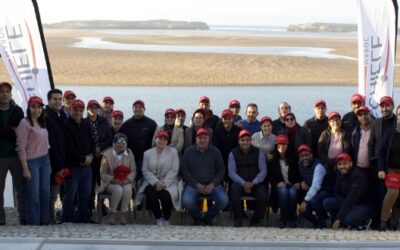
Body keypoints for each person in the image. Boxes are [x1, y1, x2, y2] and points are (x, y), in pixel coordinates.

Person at [181, 128, 228, 226]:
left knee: (224, 200)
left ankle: (208, 217)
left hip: (212, 184)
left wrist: (213, 184)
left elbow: (221, 170)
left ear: (209, 139)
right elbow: (184, 171)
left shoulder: (215, 151)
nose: (202, 140)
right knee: (186, 202)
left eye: (205, 138)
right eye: (200, 138)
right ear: (196, 139)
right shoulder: (188, 152)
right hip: (194, 185)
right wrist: (196, 185)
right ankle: (198, 217)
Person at [15, 96, 50, 225]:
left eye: (39, 107)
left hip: (45, 160)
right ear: (29, 108)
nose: (36, 110)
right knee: (33, 194)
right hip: (32, 162)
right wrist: (25, 168)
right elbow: (20, 147)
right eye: (33, 107)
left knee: (45, 192)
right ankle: (33, 223)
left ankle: (44, 221)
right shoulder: (24, 123)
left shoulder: (42, 122)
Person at [136, 131, 181, 226]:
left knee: (165, 196)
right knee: (151, 194)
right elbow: (145, 170)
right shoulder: (147, 153)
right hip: (151, 181)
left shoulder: (173, 152)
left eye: (165, 139)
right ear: (155, 139)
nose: (162, 141)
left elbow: (174, 170)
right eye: (160, 139)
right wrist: (156, 183)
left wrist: (163, 183)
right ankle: (158, 217)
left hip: (168, 182)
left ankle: (166, 218)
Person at [63, 99, 95, 223]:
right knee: (70, 194)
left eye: (81, 110)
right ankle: (68, 218)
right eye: (76, 110)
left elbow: (92, 142)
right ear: (71, 109)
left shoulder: (86, 124)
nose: (78, 112)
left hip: (87, 166)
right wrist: (82, 159)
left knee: (85, 194)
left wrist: (91, 156)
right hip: (73, 166)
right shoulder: (66, 125)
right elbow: (68, 148)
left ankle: (83, 217)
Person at [228, 129, 268, 227]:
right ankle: (238, 219)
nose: (245, 142)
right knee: (234, 193)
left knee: (263, 197)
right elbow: (231, 172)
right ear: (239, 141)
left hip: (256, 183)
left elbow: (263, 171)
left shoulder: (259, 152)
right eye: (242, 140)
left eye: (247, 140)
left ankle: (255, 221)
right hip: (239, 183)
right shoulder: (233, 153)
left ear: (251, 140)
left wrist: (253, 182)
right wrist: (243, 183)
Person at [323, 153, 373, 230]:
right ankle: (341, 221)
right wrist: (343, 204)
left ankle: (364, 221)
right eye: (339, 164)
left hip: (363, 204)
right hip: (349, 203)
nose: (342, 166)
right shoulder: (339, 173)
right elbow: (337, 193)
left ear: (351, 163)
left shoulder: (358, 176)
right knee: (327, 203)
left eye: (345, 163)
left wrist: (338, 219)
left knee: (347, 219)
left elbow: (351, 198)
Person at [368, 96, 396, 229]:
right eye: (382, 106)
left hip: (393, 166)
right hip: (378, 166)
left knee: (394, 194)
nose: (384, 108)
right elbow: (371, 144)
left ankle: (392, 222)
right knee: (380, 195)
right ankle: (379, 222)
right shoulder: (376, 123)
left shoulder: (397, 121)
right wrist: (372, 163)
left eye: (387, 106)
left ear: (392, 106)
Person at [0, 81, 26, 225]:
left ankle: (23, 216)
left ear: (10, 94)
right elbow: (11, 132)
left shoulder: (18, 111)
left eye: (6, 91)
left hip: (16, 156)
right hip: (1, 157)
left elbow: (19, 132)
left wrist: (7, 132)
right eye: (1, 92)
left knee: (20, 188)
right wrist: (9, 130)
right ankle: (0, 218)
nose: (4, 94)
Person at [98, 133, 136, 225]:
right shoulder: (107, 155)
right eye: (118, 142)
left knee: (127, 189)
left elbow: (133, 170)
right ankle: (112, 213)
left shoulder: (129, 153)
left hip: (125, 180)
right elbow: (102, 173)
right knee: (118, 189)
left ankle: (123, 213)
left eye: (123, 142)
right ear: (114, 143)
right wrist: (112, 179)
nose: (121, 144)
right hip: (110, 182)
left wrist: (128, 179)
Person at [84, 100, 112, 213]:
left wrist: (100, 148)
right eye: (91, 107)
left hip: (102, 157)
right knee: (90, 183)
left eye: (95, 107)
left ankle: (101, 206)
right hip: (90, 157)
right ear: (87, 109)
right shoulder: (84, 122)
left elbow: (109, 137)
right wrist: (93, 149)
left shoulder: (103, 121)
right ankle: (89, 207)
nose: (93, 109)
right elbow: (84, 140)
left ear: (98, 109)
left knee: (102, 182)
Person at [120, 99, 157, 181]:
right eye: (136, 107)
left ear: (144, 109)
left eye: (140, 107)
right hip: (130, 159)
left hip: (146, 159)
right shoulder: (126, 124)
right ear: (133, 109)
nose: (138, 109)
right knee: (132, 181)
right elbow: (120, 141)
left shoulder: (151, 123)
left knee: (144, 181)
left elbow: (157, 140)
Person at [269, 135, 301, 228]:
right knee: (283, 191)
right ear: (276, 145)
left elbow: (300, 172)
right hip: (279, 184)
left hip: (292, 183)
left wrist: (298, 182)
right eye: (279, 144)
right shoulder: (272, 158)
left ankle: (291, 216)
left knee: (292, 193)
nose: (281, 146)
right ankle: (283, 216)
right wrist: (276, 183)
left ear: (287, 145)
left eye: (284, 144)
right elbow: (270, 175)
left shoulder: (294, 157)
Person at [45, 89, 67, 224]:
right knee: (51, 193)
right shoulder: (47, 117)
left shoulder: (60, 115)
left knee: (55, 192)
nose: (58, 101)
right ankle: (49, 218)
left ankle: (51, 217)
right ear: (49, 100)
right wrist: (58, 166)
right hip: (52, 163)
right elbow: (51, 144)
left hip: (60, 161)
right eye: (55, 99)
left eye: (60, 99)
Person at [377, 105, 400, 231]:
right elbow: (381, 152)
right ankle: (383, 221)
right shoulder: (390, 132)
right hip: (391, 169)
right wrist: (381, 169)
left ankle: (394, 222)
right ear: (397, 117)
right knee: (393, 191)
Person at [318, 112, 352, 194]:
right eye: (332, 120)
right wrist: (329, 162)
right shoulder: (325, 134)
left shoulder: (346, 134)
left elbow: (347, 150)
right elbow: (320, 150)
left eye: (337, 120)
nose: (335, 122)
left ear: (341, 121)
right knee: (326, 186)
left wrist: (337, 163)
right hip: (327, 165)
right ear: (329, 123)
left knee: (338, 187)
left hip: (340, 165)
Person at [297, 144, 330, 229]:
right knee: (302, 210)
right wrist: (301, 182)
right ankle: (316, 224)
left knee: (314, 201)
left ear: (311, 155)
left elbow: (316, 186)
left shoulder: (318, 166)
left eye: (306, 155)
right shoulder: (300, 165)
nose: (304, 158)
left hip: (326, 191)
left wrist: (305, 201)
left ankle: (322, 222)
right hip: (313, 192)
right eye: (302, 156)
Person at [212, 109, 241, 181]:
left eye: (229, 118)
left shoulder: (238, 131)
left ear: (233, 119)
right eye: (225, 119)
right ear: (222, 119)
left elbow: (240, 146)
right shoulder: (217, 131)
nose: (227, 121)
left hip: (235, 161)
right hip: (221, 160)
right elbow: (215, 147)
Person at [351, 106, 373, 171]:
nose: (363, 116)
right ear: (357, 117)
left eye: (365, 114)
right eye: (360, 115)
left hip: (373, 168)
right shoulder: (355, 131)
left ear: (370, 114)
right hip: (358, 168)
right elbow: (353, 148)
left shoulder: (376, 129)